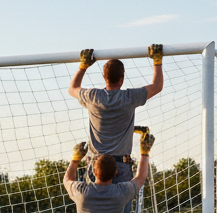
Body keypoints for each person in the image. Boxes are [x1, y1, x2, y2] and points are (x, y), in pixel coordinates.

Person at [67, 44, 164, 187]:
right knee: (120, 207)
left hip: (96, 165)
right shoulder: (129, 97)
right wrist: (157, 61)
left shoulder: (93, 96)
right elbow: (157, 86)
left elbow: (72, 89)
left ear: (103, 76)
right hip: (120, 165)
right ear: (122, 76)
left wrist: (83, 66)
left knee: (95, 208)